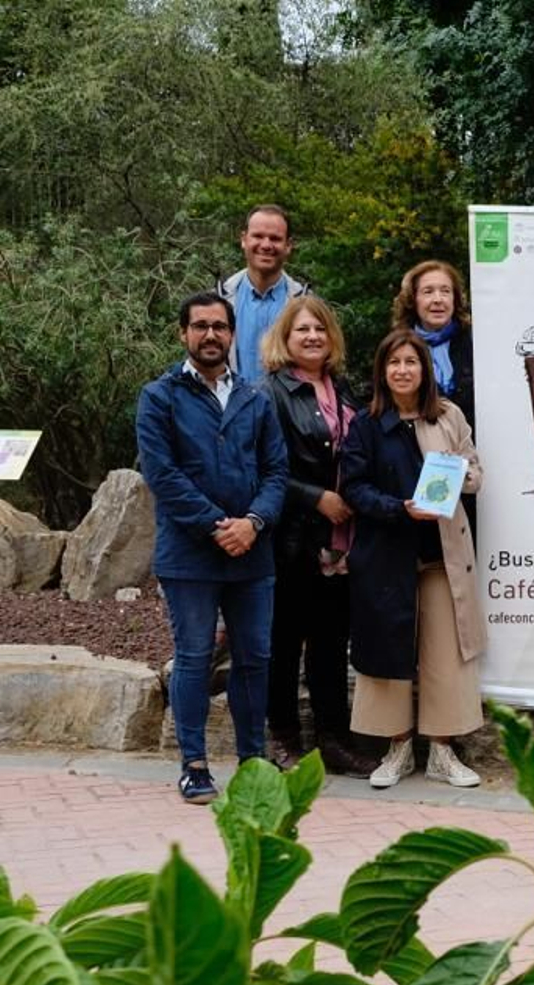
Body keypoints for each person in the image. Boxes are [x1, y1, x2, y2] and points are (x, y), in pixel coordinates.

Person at [135, 292, 287, 803]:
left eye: (219, 326)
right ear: (184, 334)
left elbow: (276, 471)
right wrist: (217, 525)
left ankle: (251, 762)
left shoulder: (254, 397)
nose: (210, 335)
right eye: (200, 326)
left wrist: (254, 522)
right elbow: (162, 474)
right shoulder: (160, 396)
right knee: (195, 657)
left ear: (231, 333)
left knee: (254, 658)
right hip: (190, 555)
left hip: (253, 553)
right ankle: (194, 764)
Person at [342, 328, 487, 789]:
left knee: (448, 653)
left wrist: (456, 474)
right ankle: (398, 748)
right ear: (382, 372)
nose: (403, 370)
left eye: (411, 362)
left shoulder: (447, 416)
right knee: (388, 650)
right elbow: (354, 488)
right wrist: (397, 508)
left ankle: (443, 751)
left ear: (425, 369)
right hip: (388, 554)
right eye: (394, 363)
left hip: (443, 555)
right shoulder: (366, 424)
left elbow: (476, 470)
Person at [258, 295, 379, 778]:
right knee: (284, 643)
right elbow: (262, 469)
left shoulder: (345, 390)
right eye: (301, 330)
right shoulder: (270, 393)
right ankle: (283, 737)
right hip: (294, 538)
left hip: (341, 540)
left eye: (320, 330)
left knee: (331, 644)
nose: (312, 337)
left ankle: (334, 740)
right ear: (285, 339)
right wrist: (315, 497)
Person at [219, 204, 309, 384]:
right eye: (258, 236)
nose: (266, 245)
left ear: (288, 245)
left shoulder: (306, 304)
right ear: (244, 240)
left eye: (275, 238)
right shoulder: (219, 300)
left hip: (286, 410)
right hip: (231, 408)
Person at [392, 259, 476, 430]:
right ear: (413, 299)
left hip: (472, 446)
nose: (438, 299)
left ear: (455, 299)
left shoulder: (476, 342)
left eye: (445, 291)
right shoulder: (396, 346)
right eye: (428, 292)